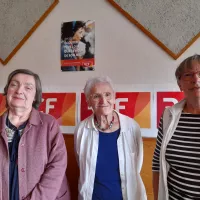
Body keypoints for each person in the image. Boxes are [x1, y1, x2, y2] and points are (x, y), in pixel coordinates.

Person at [0, 69, 70, 200]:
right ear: (7, 90)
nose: (19, 90)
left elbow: (57, 167)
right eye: (14, 84)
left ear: (35, 96)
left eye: (28, 87)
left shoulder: (49, 125)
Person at [74, 76, 147, 200]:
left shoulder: (132, 127)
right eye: (96, 96)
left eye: (108, 94)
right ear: (88, 101)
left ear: (114, 97)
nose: (103, 101)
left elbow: (137, 166)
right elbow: (81, 165)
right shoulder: (81, 129)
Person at [152, 54, 200, 200]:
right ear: (180, 84)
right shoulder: (168, 115)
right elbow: (157, 165)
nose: (196, 79)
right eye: (188, 75)